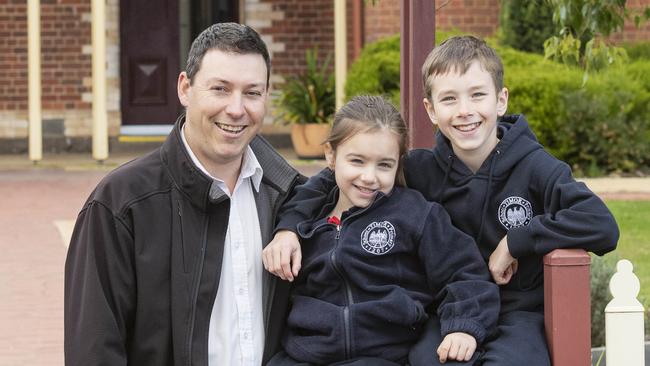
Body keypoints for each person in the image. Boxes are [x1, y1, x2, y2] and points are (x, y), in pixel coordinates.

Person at [263, 36, 619, 365]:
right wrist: (290, 229)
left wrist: (517, 240)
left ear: (501, 100)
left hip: (516, 311)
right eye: (450, 99)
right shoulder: (419, 168)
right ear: (432, 111)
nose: (465, 110)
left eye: (477, 95)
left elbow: (599, 224)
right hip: (447, 308)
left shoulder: (536, 167)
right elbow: (331, 180)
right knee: (429, 360)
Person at [64, 23, 305, 366]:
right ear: (185, 88)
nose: (237, 109)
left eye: (252, 92)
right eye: (220, 89)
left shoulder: (289, 198)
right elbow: (94, 349)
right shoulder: (120, 203)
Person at [264, 95, 500, 366]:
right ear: (331, 154)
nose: (369, 177)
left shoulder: (415, 214)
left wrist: (464, 325)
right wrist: (286, 231)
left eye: (384, 165)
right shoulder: (306, 223)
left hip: (385, 354)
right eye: (357, 161)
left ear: (398, 164)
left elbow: (464, 270)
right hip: (309, 354)